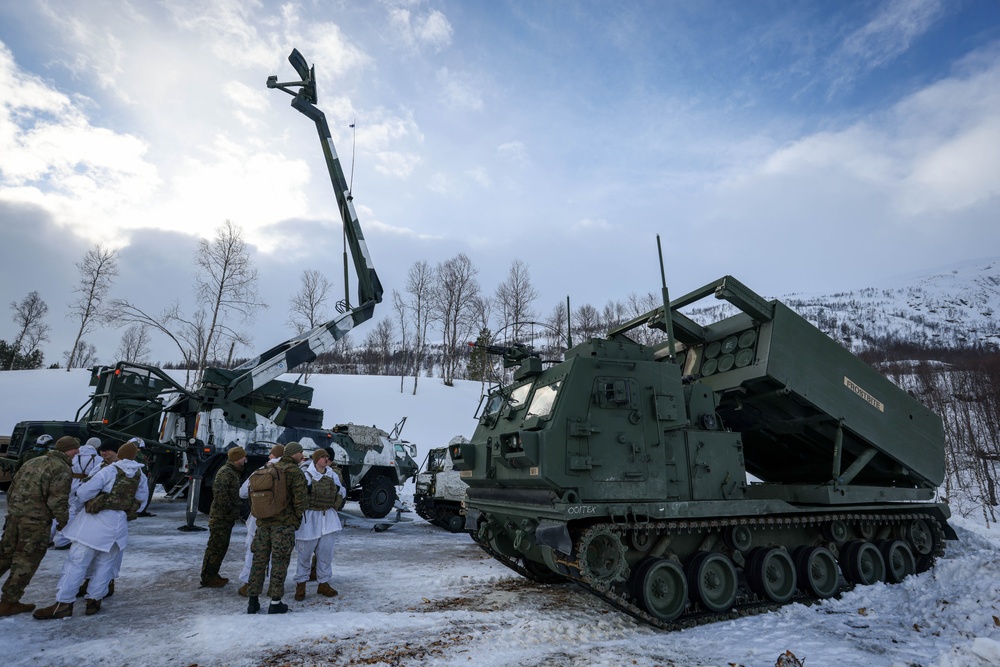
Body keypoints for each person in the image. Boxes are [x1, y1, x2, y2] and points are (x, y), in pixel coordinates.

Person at [33, 441, 149, 620]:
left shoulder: (109, 470)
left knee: (76, 563)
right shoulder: (140, 475)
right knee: (105, 565)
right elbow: (141, 501)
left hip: (95, 524)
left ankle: (63, 604)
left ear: (119, 453)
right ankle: (94, 601)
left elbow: (84, 492)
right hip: (119, 527)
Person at [0, 436, 79, 617]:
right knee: (26, 561)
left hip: (14, 517)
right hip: (35, 523)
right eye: (75, 449)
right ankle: (8, 603)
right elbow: (57, 501)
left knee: (4, 554)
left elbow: (11, 489)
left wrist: (15, 511)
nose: (78, 452)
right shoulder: (61, 469)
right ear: (67, 450)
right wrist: (63, 522)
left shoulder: (32, 462)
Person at [246, 441, 307, 615]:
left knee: (258, 562)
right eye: (300, 453)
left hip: (263, 524)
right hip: (283, 526)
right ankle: (275, 602)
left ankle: (253, 601)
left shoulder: (269, 468)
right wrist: (296, 519)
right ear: (294, 454)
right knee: (279, 563)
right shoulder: (295, 472)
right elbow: (300, 501)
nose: (301, 456)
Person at [293, 448, 345, 601]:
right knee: (304, 553)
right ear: (316, 459)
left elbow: (341, 490)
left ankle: (323, 583)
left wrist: (335, 505)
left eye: (327, 457)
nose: (326, 459)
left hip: (327, 518)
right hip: (309, 518)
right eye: (322, 457)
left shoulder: (332, 474)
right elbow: (298, 495)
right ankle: (301, 584)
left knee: (325, 553)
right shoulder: (306, 475)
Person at [237, 444, 283, 597]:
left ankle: (248, 584)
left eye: (271, 454)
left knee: (253, 551)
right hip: (280, 520)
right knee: (277, 554)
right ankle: (273, 587)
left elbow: (242, 492)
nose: (269, 456)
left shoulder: (260, 470)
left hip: (257, 518)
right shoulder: (290, 471)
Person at [200, 446, 246, 588]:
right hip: (221, 517)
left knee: (220, 546)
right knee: (216, 547)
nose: (245, 460)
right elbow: (220, 494)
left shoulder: (232, 471)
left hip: (225, 517)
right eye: (243, 457)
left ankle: (213, 573)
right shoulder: (226, 472)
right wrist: (229, 510)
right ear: (237, 458)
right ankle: (208, 577)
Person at [53, 437, 102, 549]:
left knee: (66, 509)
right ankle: (62, 539)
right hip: (85, 485)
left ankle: (51, 537)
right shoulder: (97, 459)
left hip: (71, 483)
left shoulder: (75, 455)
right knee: (75, 512)